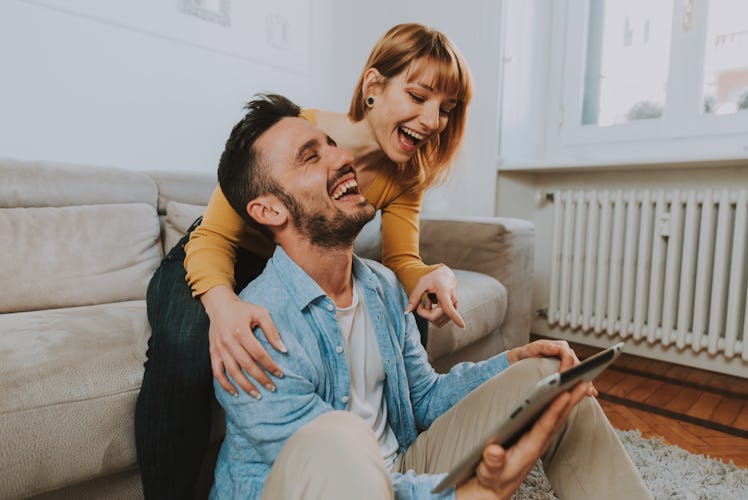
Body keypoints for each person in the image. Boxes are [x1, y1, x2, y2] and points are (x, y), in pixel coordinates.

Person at [209, 94, 652, 499]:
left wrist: (512, 362)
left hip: (403, 469)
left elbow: (424, 399)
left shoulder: (381, 286)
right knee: (340, 436)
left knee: (550, 374)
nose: (343, 158)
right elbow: (335, 480)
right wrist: (464, 494)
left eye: (331, 145)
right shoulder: (254, 330)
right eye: (311, 157)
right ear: (270, 210)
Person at [136, 23, 476, 498]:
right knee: (192, 341)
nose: (433, 119)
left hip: (291, 264)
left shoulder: (404, 174)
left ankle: (393, 459)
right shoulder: (295, 134)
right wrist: (221, 305)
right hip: (220, 257)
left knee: (405, 314)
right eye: (419, 97)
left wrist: (429, 275)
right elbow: (213, 237)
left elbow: (402, 259)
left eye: (446, 108)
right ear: (373, 88)